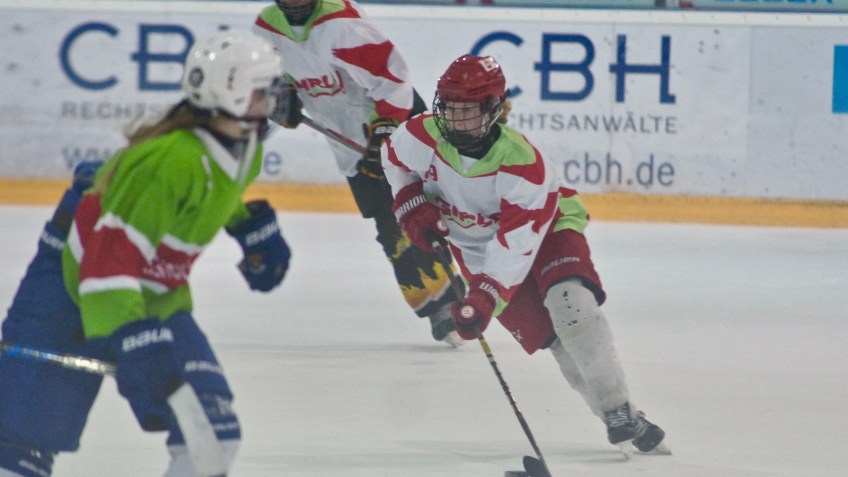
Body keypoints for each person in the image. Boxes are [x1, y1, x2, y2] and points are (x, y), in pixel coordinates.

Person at [0, 30, 291, 477]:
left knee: (210, 435)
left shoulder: (243, 149)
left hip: (149, 293)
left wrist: (246, 225)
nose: (272, 101)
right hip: (66, 289)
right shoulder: (168, 161)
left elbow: (205, 193)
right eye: (262, 92)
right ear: (231, 94)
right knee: (19, 450)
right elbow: (105, 268)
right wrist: (136, 339)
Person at [383, 54, 669, 454]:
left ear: (493, 108)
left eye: (468, 111)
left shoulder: (522, 163)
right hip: (479, 252)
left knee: (572, 307)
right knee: (556, 341)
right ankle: (623, 418)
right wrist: (410, 201)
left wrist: (484, 295)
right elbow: (392, 158)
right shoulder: (420, 136)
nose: (456, 120)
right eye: (449, 108)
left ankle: (616, 405)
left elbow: (516, 244)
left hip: (547, 229)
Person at [252, 0, 463, 345]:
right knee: (389, 229)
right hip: (348, 138)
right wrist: (282, 98)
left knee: (417, 213)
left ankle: (456, 301)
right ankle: (434, 309)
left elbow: (394, 80)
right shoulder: (266, 28)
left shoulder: (342, 25)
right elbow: (273, 79)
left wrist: (385, 131)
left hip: (395, 124)